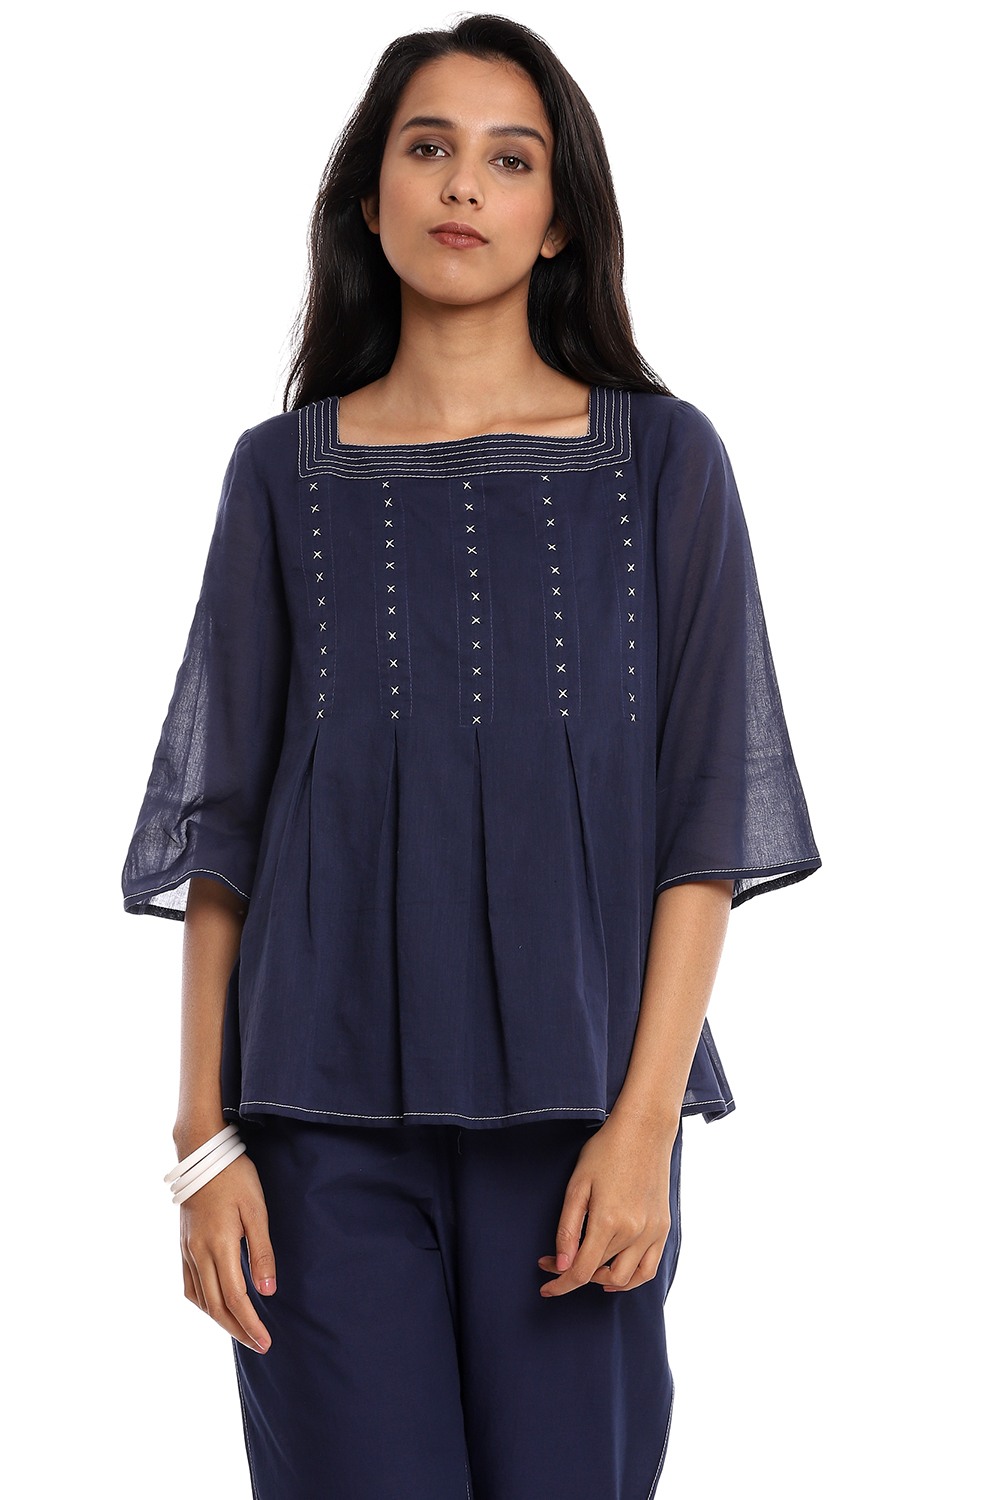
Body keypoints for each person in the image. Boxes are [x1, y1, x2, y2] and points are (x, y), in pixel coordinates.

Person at [121, 13, 821, 1498]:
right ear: (369, 198)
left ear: (558, 217)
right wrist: (202, 1140)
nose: (462, 186)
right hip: (310, 1138)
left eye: (510, 161)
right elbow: (223, 832)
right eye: (428, 148)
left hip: (581, 1126)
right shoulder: (279, 475)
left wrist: (645, 1129)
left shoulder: (666, 462)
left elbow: (704, 820)